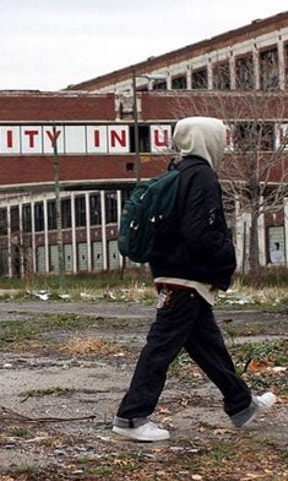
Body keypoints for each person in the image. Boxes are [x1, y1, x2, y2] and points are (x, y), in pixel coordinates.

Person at [112, 116, 276, 442]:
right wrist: (226, 256)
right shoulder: (201, 176)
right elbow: (200, 232)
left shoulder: (178, 172)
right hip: (186, 277)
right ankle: (131, 417)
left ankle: (241, 403)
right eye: (221, 139)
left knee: (208, 345)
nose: (224, 146)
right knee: (161, 347)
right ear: (207, 141)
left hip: (175, 274)